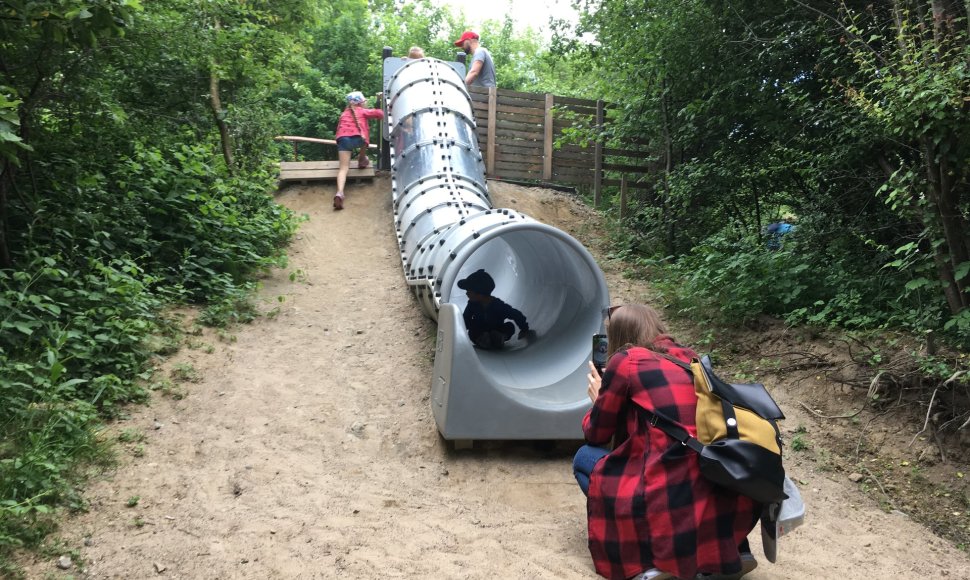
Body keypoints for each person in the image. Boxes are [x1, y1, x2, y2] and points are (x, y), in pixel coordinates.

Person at [573, 304, 760, 580]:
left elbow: (597, 434)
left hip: (668, 492)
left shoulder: (625, 360)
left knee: (585, 458)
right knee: (689, 461)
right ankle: (733, 549)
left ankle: (648, 558)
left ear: (620, 336)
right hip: (720, 476)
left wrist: (599, 397)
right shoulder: (691, 358)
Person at [333, 91, 384, 210]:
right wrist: (382, 103)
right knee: (365, 137)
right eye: (365, 101)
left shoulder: (344, 114)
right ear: (360, 103)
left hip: (342, 140)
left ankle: (340, 192)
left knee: (343, 168)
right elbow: (379, 114)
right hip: (358, 139)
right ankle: (361, 158)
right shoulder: (362, 111)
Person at [457, 269, 530, 349]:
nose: (466, 293)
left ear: (480, 294)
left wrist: (524, 329)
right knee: (473, 331)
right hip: (480, 330)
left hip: (497, 329)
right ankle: (484, 339)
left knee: (510, 326)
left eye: (469, 291)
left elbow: (515, 314)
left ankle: (500, 337)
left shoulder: (498, 305)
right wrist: (460, 331)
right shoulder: (472, 304)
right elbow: (465, 319)